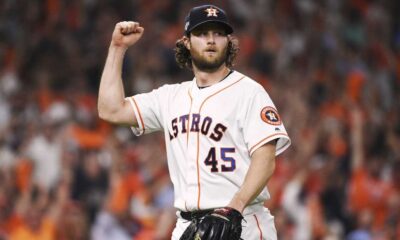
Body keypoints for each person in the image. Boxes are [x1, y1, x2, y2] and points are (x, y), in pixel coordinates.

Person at [98, 4, 291, 240]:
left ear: (228, 42)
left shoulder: (249, 92)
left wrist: (234, 208)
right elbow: (111, 110)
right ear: (187, 42)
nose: (211, 40)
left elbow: (266, 159)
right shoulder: (170, 97)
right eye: (201, 33)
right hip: (187, 226)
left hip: (242, 222)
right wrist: (117, 48)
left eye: (218, 33)